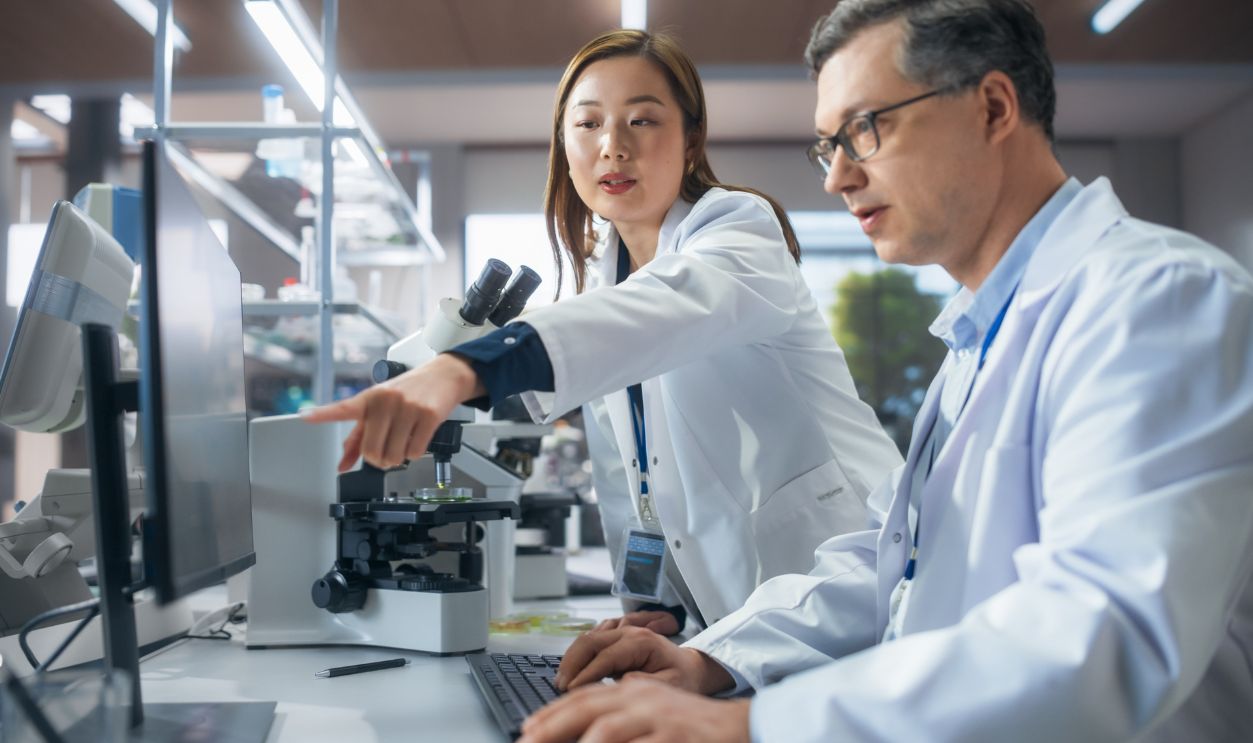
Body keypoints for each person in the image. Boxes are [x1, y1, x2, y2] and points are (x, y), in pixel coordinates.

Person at [519, 2, 1253, 742]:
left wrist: (756, 723)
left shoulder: (1155, 299)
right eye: (827, 145)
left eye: (865, 129)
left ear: (993, 107)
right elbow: (890, 564)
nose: (838, 176)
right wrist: (709, 660)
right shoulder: (979, 335)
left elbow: (1100, 638)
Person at [305, 30, 902, 635]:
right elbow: (629, 479)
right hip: (749, 623)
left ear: (691, 138)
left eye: (642, 121)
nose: (612, 147)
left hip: (855, 578)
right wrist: (652, 611)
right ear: (564, 145)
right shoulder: (604, 281)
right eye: (587, 124)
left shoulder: (738, 231)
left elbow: (659, 310)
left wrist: (468, 367)